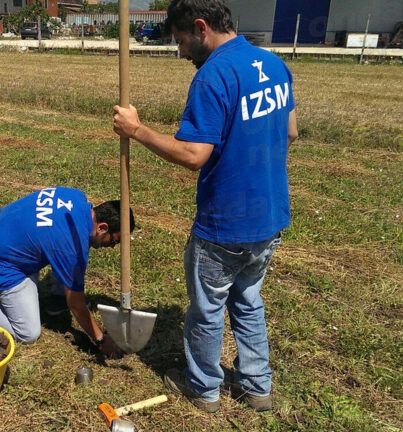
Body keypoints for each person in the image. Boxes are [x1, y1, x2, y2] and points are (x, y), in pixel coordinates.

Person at [112, 0, 298, 413]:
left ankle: (203, 389)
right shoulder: (273, 64)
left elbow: (194, 155)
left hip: (225, 223)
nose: (180, 52)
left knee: (207, 309)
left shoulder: (214, 76)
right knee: (248, 300)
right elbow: (291, 130)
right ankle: (257, 387)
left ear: (200, 28)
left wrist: (137, 130)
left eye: (180, 41)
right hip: (269, 219)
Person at [0, 186, 135, 359]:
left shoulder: (75, 196)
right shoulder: (72, 248)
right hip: (3, 262)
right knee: (28, 333)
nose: (112, 246)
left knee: (70, 252)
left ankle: (56, 301)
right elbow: (77, 305)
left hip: (2, 230)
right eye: (114, 240)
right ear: (103, 228)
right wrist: (101, 340)